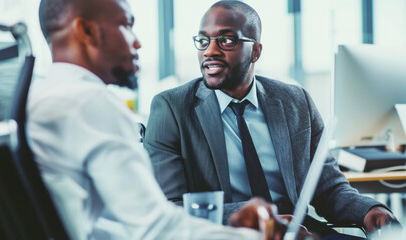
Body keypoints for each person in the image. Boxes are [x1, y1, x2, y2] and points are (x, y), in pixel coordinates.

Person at [27, 0, 306, 239]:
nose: (137, 41)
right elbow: (157, 229)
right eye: (126, 25)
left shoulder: (42, 97)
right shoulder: (89, 103)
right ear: (86, 31)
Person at [144, 0, 399, 238]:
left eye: (226, 40)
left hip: (301, 233)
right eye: (203, 40)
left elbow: (328, 187)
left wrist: (369, 210)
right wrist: (262, 219)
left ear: (255, 51)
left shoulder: (296, 101)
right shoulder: (171, 108)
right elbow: (169, 207)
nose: (210, 51)